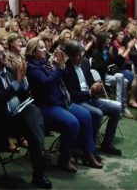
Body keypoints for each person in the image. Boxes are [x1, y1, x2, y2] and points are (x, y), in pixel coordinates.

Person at [0, 44, 52, 189]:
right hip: (4, 122)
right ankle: (39, 158)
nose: (5, 55)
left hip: (20, 115)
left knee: (32, 110)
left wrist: (23, 80)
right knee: (34, 122)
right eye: (0, 53)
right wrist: (17, 82)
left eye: (4, 52)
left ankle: (38, 163)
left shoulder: (11, 71)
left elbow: (25, 95)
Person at [26, 37, 102, 173]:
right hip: (47, 106)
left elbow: (61, 77)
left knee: (86, 115)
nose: (45, 50)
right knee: (72, 124)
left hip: (61, 101)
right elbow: (47, 83)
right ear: (33, 52)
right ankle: (64, 159)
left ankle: (88, 153)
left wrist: (60, 64)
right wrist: (59, 68)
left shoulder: (47, 63)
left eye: (45, 47)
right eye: (41, 48)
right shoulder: (32, 67)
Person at [63, 40, 122, 155]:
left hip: (90, 97)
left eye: (82, 54)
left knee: (116, 109)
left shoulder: (85, 63)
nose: (80, 57)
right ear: (69, 56)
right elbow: (70, 94)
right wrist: (89, 93)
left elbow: (90, 81)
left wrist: (97, 86)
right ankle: (89, 147)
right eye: (77, 55)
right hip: (77, 102)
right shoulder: (65, 68)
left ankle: (107, 144)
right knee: (97, 113)